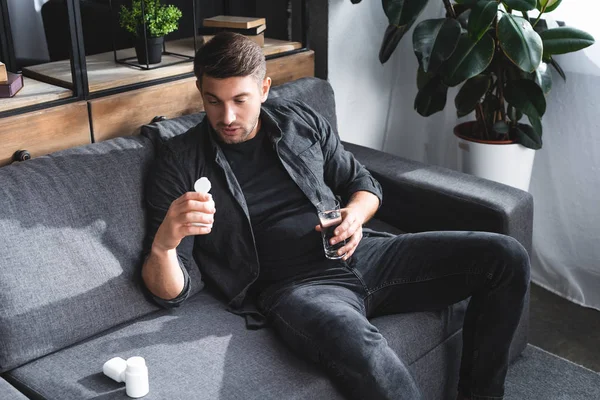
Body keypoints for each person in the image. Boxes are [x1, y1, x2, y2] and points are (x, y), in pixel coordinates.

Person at [141, 32, 531, 400]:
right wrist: (165, 244)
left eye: (240, 100)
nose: (226, 116)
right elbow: (170, 293)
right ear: (201, 92)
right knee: (359, 345)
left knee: (504, 257)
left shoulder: (299, 122)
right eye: (213, 101)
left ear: (263, 89)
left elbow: (363, 183)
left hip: (366, 255)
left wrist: (356, 215)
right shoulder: (179, 162)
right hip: (298, 288)